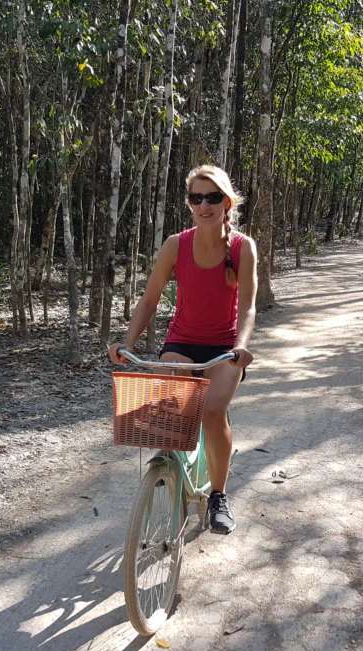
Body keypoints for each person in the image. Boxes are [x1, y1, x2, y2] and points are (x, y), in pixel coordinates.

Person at [109, 164, 257, 535]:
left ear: (227, 201)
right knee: (169, 407)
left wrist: (241, 346)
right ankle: (168, 466)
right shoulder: (176, 244)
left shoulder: (242, 247)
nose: (204, 205)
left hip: (224, 347)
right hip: (182, 343)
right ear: (189, 203)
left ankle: (219, 497)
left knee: (211, 409)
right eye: (196, 198)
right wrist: (127, 343)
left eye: (212, 197)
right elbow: (149, 300)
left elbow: (250, 306)